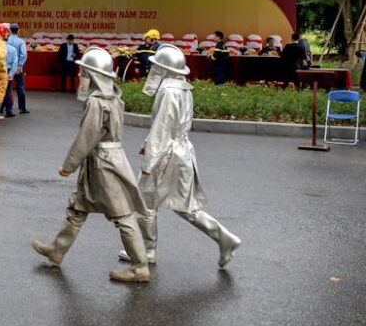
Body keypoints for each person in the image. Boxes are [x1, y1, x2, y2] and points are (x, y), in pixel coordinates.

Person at [31, 47, 150, 283]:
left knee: (123, 214)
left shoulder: (97, 102)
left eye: (84, 72)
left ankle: (140, 266)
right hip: (107, 159)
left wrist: (69, 165)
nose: (80, 76)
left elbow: (87, 137)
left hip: (103, 164)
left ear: (94, 74)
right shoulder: (114, 96)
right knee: (78, 207)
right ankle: (56, 250)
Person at [122, 44, 242, 269]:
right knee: (186, 208)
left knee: (145, 202)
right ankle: (225, 238)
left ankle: (147, 251)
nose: (152, 71)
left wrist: (149, 159)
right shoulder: (183, 88)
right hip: (180, 152)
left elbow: (162, 127)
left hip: (166, 156)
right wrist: (148, 144)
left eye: (157, 67)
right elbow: (173, 126)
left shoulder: (168, 91)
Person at [6, 23, 29, 114]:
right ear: (18, 30)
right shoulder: (21, 41)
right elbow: (23, 55)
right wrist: (19, 65)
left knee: (7, 89)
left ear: (10, 31)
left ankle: (8, 110)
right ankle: (22, 108)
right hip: (17, 68)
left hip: (7, 67)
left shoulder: (6, 40)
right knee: (20, 87)